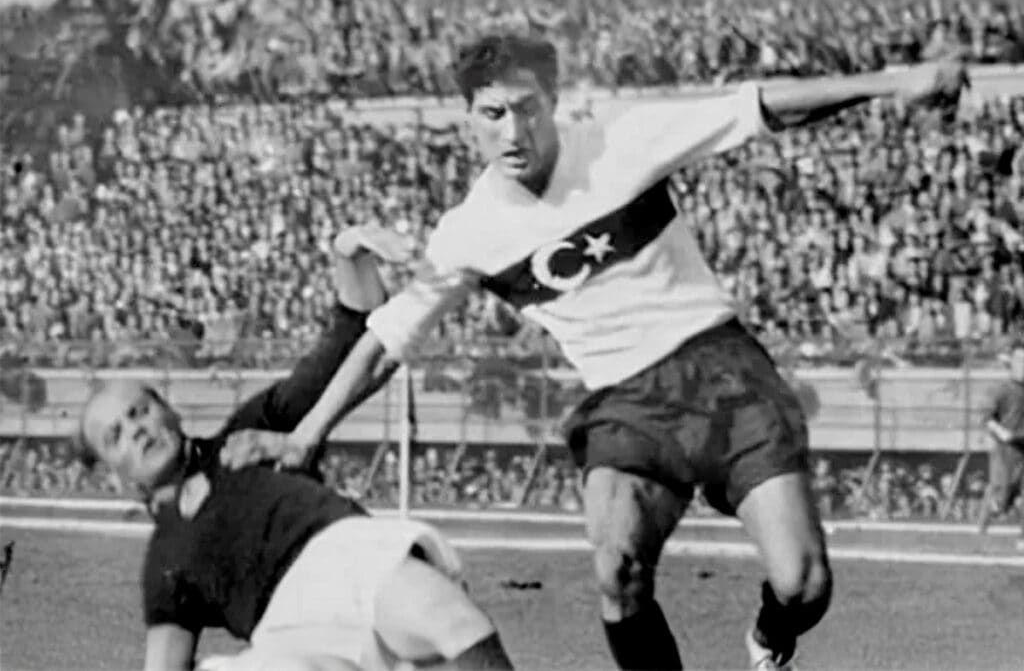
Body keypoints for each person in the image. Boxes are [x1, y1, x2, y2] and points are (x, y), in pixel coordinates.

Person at [283, 35, 970, 671]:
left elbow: (757, 107)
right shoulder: (470, 233)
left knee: (804, 582)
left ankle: (770, 633)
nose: (513, 131)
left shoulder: (621, 142)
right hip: (626, 400)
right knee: (616, 567)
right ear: (467, 117)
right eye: (493, 114)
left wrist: (889, 82)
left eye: (527, 110)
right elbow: (386, 338)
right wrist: (311, 429)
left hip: (722, 368)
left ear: (554, 104)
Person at [76, 224, 514, 671]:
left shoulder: (250, 432)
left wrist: (348, 250)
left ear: (169, 411)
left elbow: (353, 343)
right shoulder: (164, 564)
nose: (137, 430)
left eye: (140, 411)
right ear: (116, 471)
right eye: (116, 435)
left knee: (453, 622)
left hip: (350, 560)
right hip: (287, 635)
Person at [977, 343, 1024, 550]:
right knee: (1002, 499)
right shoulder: (1001, 389)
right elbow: (985, 418)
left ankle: (1022, 539)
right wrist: (1001, 432)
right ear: (1012, 364)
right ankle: (987, 516)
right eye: (1020, 361)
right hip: (1007, 450)